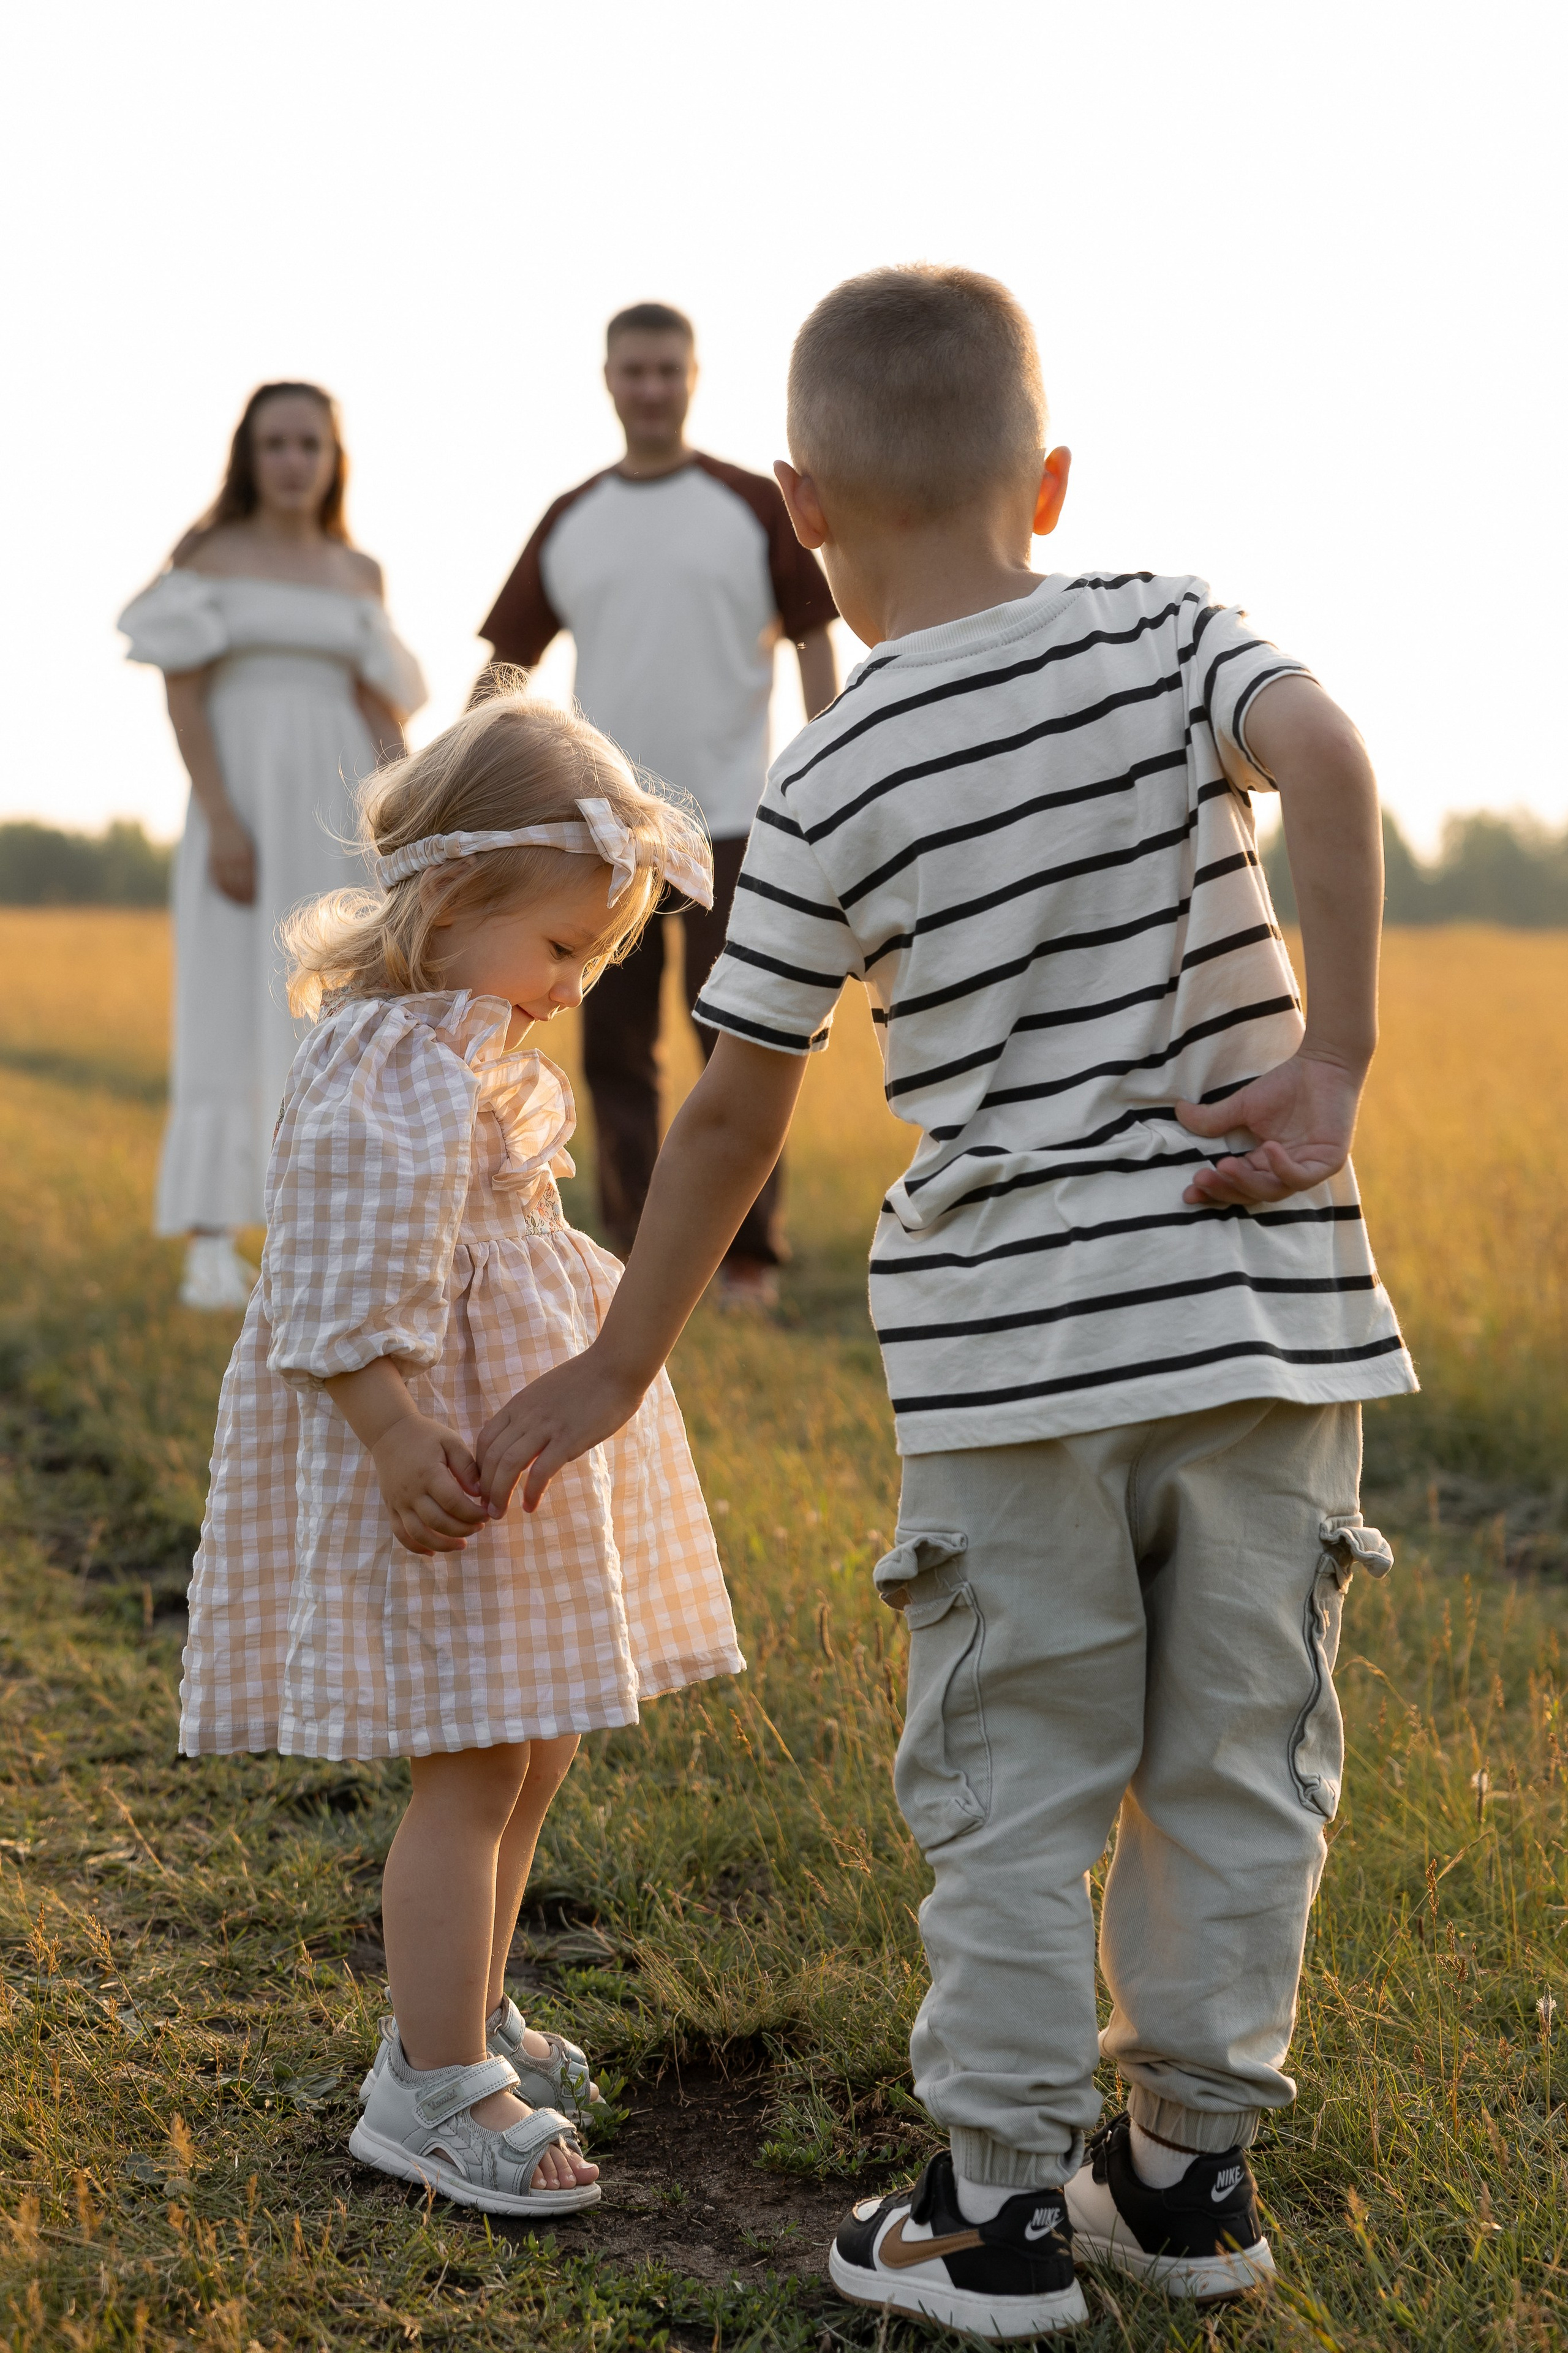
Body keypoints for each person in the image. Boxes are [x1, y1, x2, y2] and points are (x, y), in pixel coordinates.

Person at [468, 266, 1417, 2335]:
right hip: (1261, 1330)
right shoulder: (1171, 628)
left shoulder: (821, 783)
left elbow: (729, 1111)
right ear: (1050, 475)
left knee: (1014, 1775)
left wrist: (621, 1361)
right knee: (1242, 1763)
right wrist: (1329, 1061)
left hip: (1007, 1368)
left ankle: (996, 2209)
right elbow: (1330, 753)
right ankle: (1181, 2180)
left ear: (799, 506)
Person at [176, 693, 743, 2215]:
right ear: (447, 904)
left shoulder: (459, 1037)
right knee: (473, 1758)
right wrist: (389, 1436)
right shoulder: (392, 1061)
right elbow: (337, 1284)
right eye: (561, 950)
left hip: (499, 1446)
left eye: (596, 957)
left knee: (529, 1732)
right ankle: (427, 2087)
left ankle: (467, 2012)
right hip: (431, 1452)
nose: (575, 986)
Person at [477, 302, 839, 1308]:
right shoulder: (572, 517)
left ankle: (751, 1261)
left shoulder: (746, 505)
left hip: (737, 823)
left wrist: (833, 757)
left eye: (668, 371)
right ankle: (638, 1256)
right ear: (608, 377)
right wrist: (463, 786)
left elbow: (814, 632)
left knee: (741, 1041)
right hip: (606, 830)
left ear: (694, 376)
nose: (651, 388)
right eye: (634, 371)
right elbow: (507, 661)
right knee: (612, 1047)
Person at [119, 381, 426, 1311]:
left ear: (335, 459)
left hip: (336, 818)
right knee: (224, 1001)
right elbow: (182, 695)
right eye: (276, 444)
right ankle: (210, 1244)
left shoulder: (357, 572)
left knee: (336, 1009)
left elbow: (381, 713)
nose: (294, 461)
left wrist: (411, 824)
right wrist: (220, 817)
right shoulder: (208, 556)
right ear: (248, 455)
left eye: (311, 445)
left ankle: (315, 1236)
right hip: (239, 814)